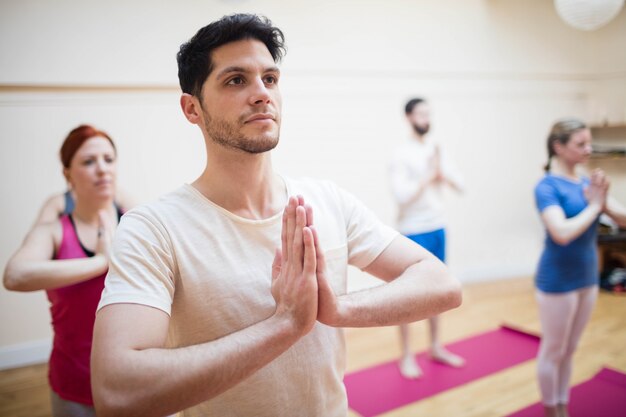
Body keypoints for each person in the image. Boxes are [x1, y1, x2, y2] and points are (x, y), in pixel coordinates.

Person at [90, 13, 462, 417]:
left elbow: (442, 284)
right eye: (236, 80)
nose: (261, 93)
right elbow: (117, 392)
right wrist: (284, 324)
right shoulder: (153, 229)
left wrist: (338, 309)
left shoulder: (327, 200)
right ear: (192, 108)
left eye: (270, 78)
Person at [3, 124, 124, 417]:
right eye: (88, 161)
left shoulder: (133, 217)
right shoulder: (54, 231)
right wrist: (99, 262)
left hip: (135, 378)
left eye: (108, 159)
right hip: (75, 382)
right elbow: (15, 276)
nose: (102, 169)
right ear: (67, 174)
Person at [534, 118, 626, 417]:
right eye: (581, 144)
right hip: (557, 280)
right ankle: (551, 411)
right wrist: (594, 206)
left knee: (570, 350)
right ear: (559, 147)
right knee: (554, 350)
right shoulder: (546, 186)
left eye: (589, 143)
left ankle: (563, 406)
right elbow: (561, 232)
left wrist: (604, 202)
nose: (588, 149)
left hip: (587, 277)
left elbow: (623, 218)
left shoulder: (589, 183)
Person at [388, 98, 465, 379]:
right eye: (421, 114)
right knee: (408, 294)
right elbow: (401, 196)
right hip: (412, 230)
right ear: (409, 117)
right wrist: (427, 176)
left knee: (437, 291)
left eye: (428, 114)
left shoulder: (437, 150)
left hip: (437, 228)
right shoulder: (401, 154)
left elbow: (461, 184)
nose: (426, 118)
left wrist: (443, 175)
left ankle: (435, 347)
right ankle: (406, 355)